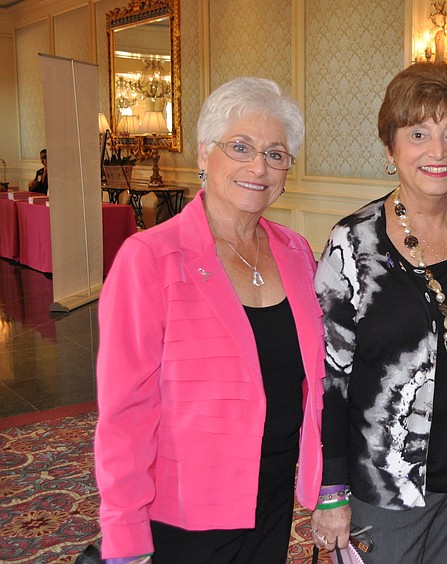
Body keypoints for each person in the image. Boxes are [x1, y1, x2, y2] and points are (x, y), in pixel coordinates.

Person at [94, 77, 325, 564]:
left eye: (276, 153)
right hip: (186, 509)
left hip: (274, 491)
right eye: (240, 147)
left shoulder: (296, 252)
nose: (258, 166)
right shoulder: (149, 259)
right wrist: (125, 532)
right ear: (204, 154)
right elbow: (124, 414)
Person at [311, 62, 447, 563]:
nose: (438, 151)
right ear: (390, 148)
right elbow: (328, 379)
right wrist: (331, 491)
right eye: (418, 133)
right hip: (383, 483)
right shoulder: (353, 243)